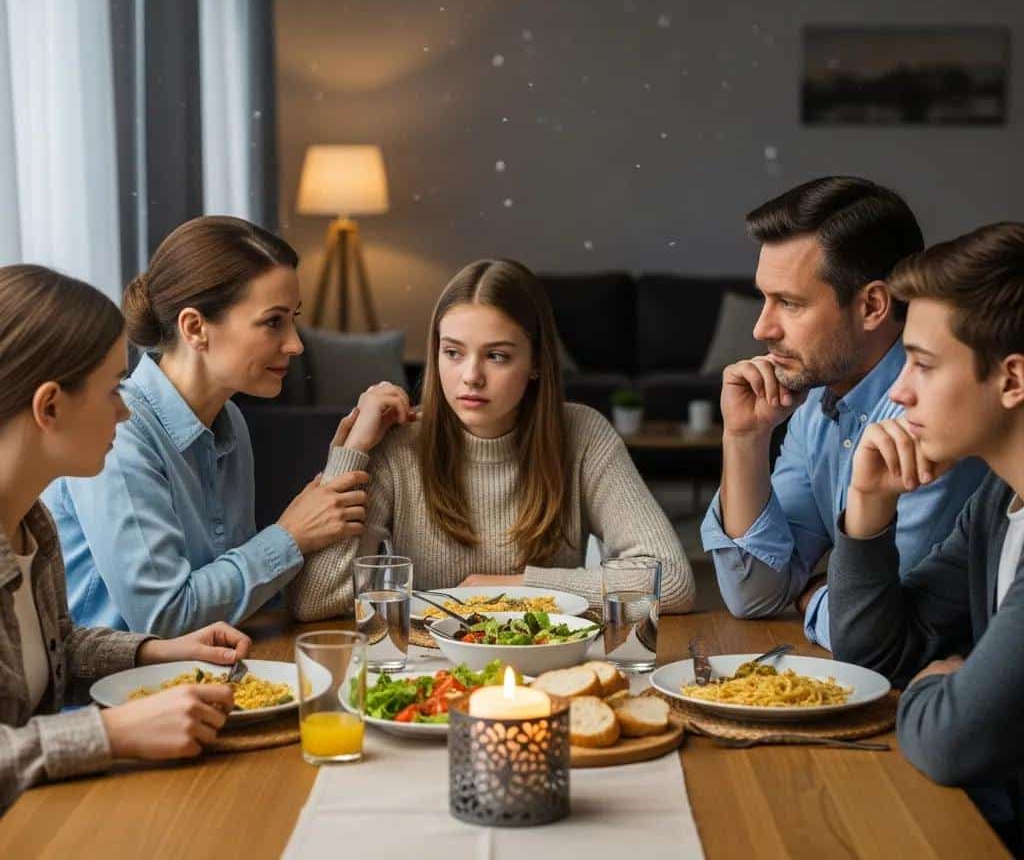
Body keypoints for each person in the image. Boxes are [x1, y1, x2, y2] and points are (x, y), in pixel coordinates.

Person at [289, 258, 696, 620]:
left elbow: (672, 581)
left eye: (496, 355)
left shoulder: (583, 433)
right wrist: (353, 449)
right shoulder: (399, 444)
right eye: (453, 353)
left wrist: (519, 587)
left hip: (546, 667)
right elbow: (317, 600)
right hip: (431, 671)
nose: (471, 376)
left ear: (536, 361)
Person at [0, 264, 254, 814]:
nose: (125, 408)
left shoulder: (31, 527)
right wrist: (110, 733)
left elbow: (53, 650)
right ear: (49, 406)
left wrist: (155, 652)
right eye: (114, 388)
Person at [44, 217, 367, 636]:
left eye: (293, 320)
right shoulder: (120, 434)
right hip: (117, 692)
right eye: (273, 322)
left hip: (198, 682)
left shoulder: (229, 420)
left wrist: (347, 457)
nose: (295, 344)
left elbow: (240, 597)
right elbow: (165, 617)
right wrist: (290, 535)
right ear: (195, 328)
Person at [700, 176, 986, 647]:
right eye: (763, 298)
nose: (761, 328)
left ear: (872, 305)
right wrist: (745, 439)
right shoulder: (815, 404)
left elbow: (876, 630)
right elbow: (753, 594)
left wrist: (811, 596)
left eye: (789, 304)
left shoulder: (931, 417)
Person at [829, 222, 1024, 853]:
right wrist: (868, 505)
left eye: (923, 363)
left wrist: (929, 688)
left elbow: (952, 742)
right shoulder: (999, 501)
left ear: (1013, 380)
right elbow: (871, 655)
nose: (896, 390)